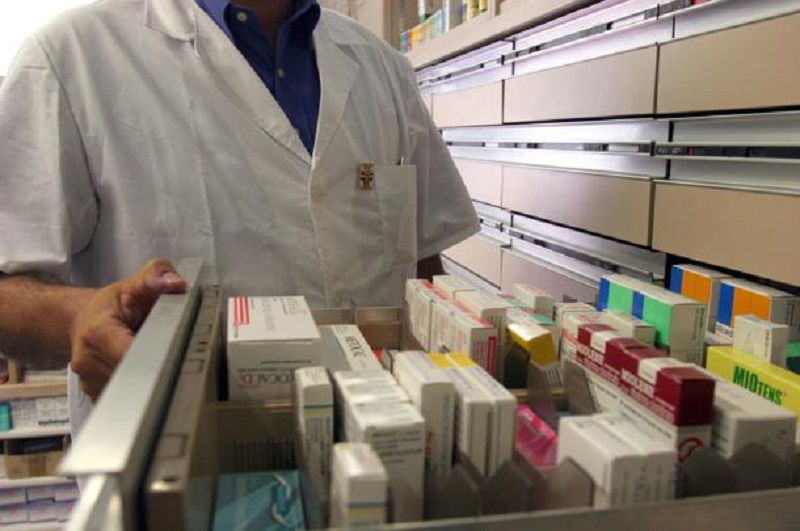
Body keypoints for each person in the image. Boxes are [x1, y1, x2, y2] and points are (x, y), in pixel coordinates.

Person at [0, 0, 478, 436]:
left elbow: (423, 268)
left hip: (385, 447)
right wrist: (77, 318)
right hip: (180, 459)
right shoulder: (70, 56)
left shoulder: (382, 67)